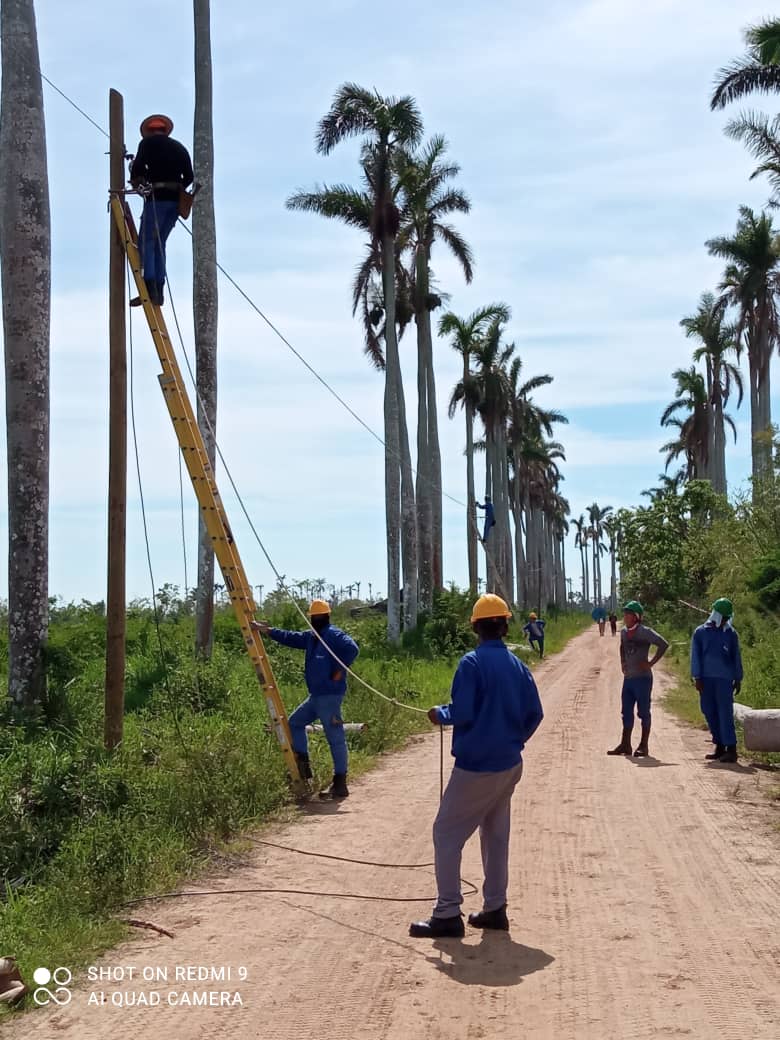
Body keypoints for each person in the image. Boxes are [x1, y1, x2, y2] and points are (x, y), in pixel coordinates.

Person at [409, 594, 544, 938]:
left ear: (475, 628)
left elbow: (463, 711)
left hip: (477, 767)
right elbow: (535, 714)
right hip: (509, 764)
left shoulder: (471, 663)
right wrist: (513, 741)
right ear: (504, 625)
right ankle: (495, 909)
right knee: (495, 836)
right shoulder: (518, 665)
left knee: (446, 833)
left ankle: (447, 914)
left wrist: (440, 714)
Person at [251, 600, 359, 798]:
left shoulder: (333, 635)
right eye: (314, 617)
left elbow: (352, 648)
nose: (316, 619)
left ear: (326, 617)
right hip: (316, 697)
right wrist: (268, 630)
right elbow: (291, 638)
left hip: (329, 696)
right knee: (295, 722)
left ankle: (340, 783)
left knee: (335, 738)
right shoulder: (311, 637)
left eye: (319, 616)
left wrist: (338, 670)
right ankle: (304, 770)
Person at [129, 114, 193, 307]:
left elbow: (137, 172)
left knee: (147, 242)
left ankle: (150, 288)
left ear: (149, 132)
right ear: (166, 130)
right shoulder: (179, 147)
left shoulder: (146, 145)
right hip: (174, 202)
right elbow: (189, 176)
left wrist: (146, 179)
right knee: (159, 243)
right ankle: (159, 291)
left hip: (155, 200)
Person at [607, 600, 669, 758]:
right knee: (626, 711)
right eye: (625, 614)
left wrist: (651, 663)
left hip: (643, 679)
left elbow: (663, 644)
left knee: (643, 712)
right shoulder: (623, 632)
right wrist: (622, 662)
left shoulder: (645, 632)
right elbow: (622, 646)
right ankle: (625, 744)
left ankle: (643, 745)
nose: (625, 617)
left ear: (636, 617)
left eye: (628, 614)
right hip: (628, 679)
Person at [691, 597, 743, 764]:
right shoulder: (701, 632)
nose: (726, 621)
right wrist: (697, 677)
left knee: (725, 712)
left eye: (728, 618)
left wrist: (738, 677)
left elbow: (736, 657)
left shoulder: (731, 634)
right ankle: (719, 745)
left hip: (724, 679)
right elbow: (696, 657)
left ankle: (731, 748)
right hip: (706, 679)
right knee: (708, 710)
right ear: (716, 615)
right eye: (724, 617)